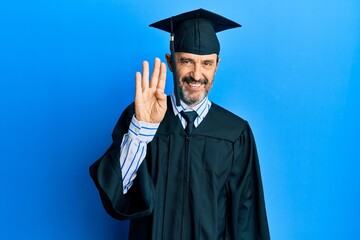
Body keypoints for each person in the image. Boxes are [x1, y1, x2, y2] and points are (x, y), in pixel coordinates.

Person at [90, 8, 270, 240]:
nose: (197, 74)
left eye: (206, 63)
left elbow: (247, 221)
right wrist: (141, 130)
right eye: (187, 61)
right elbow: (116, 194)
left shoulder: (235, 133)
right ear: (171, 62)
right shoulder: (141, 117)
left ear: (217, 65)